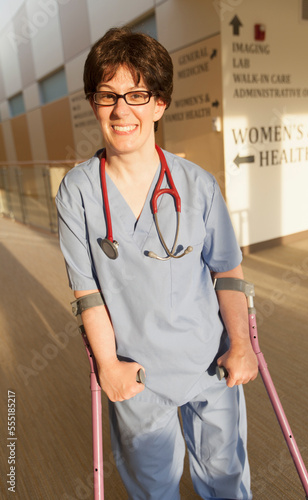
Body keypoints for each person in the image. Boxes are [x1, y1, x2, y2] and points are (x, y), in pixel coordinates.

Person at [56, 27, 258, 500]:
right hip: (137, 373)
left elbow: (227, 271)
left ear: (160, 104)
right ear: (93, 103)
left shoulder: (198, 184)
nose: (122, 110)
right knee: (153, 488)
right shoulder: (78, 192)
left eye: (137, 94)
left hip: (211, 362)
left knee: (226, 478)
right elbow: (87, 292)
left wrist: (243, 345)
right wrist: (108, 363)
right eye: (108, 96)